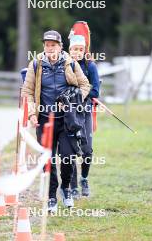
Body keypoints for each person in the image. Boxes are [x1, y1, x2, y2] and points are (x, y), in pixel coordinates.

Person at [21, 30, 90, 213]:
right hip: (44, 120)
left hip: (66, 120)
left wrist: (75, 100)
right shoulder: (35, 64)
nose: (50, 48)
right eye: (47, 44)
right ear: (44, 46)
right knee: (48, 160)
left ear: (60, 46)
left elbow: (85, 85)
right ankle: (51, 196)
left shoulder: (71, 63)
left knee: (67, 157)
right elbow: (27, 91)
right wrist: (32, 114)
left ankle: (65, 189)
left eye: (54, 45)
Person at [69, 34, 100, 198]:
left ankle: (84, 178)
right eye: (75, 49)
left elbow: (96, 90)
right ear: (70, 50)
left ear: (84, 50)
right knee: (71, 149)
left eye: (81, 49)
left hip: (85, 110)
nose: (78, 52)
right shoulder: (64, 64)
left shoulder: (90, 66)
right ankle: (73, 187)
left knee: (87, 150)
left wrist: (80, 95)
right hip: (69, 113)